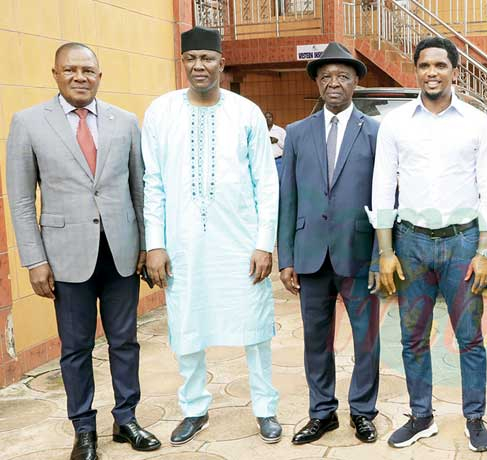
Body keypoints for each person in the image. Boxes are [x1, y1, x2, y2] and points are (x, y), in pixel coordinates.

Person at [6, 42, 160, 460]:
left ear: (99, 76)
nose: (80, 77)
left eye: (88, 70)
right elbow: (20, 200)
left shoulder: (125, 122)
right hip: (64, 256)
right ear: (55, 73)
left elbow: (139, 189)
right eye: (70, 70)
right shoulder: (28, 123)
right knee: (75, 348)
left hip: (121, 252)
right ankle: (84, 429)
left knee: (125, 342)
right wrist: (34, 260)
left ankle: (126, 418)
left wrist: (147, 246)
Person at [141, 26, 281, 446]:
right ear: (182, 63)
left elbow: (267, 183)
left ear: (222, 63)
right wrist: (155, 244)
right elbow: (154, 183)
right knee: (187, 325)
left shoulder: (246, 112)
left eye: (207, 58)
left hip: (239, 243)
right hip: (183, 243)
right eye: (191, 59)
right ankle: (194, 408)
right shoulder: (160, 112)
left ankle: (265, 408)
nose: (199, 66)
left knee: (255, 327)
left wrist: (263, 243)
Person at [369, 36, 487, 452]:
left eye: (440, 66)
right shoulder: (396, 123)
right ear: (417, 71)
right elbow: (382, 188)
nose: (432, 72)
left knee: (470, 337)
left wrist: (485, 252)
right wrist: (386, 252)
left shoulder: (477, 122)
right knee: (412, 336)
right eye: (425, 65)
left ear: (454, 72)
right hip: (409, 244)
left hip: (463, 243)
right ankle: (421, 416)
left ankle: (475, 417)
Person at [278, 42, 383, 445]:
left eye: (342, 76)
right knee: (315, 340)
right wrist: (286, 256)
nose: (333, 83)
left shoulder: (375, 132)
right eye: (325, 77)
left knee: (366, 339)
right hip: (310, 254)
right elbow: (288, 198)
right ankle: (322, 413)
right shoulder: (297, 133)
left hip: (358, 254)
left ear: (355, 82)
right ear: (317, 84)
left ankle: (362, 411)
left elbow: (384, 200)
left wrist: (380, 257)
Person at [265, 111, 286, 176]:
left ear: (273, 119)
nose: (268, 119)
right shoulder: (261, 131)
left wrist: (277, 141)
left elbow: (287, 147)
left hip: (278, 161)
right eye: (266, 117)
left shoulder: (280, 131)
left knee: (280, 180)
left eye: (270, 117)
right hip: (266, 162)